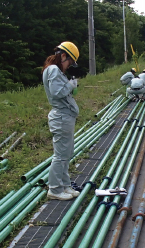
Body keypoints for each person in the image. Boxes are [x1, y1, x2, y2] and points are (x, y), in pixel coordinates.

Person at [42, 41, 81, 201]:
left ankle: (65, 185)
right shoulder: (53, 69)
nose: (68, 66)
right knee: (60, 156)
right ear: (63, 55)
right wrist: (71, 85)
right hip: (61, 117)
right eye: (69, 62)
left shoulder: (55, 71)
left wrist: (69, 85)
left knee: (66, 154)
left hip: (66, 117)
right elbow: (57, 92)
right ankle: (55, 189)